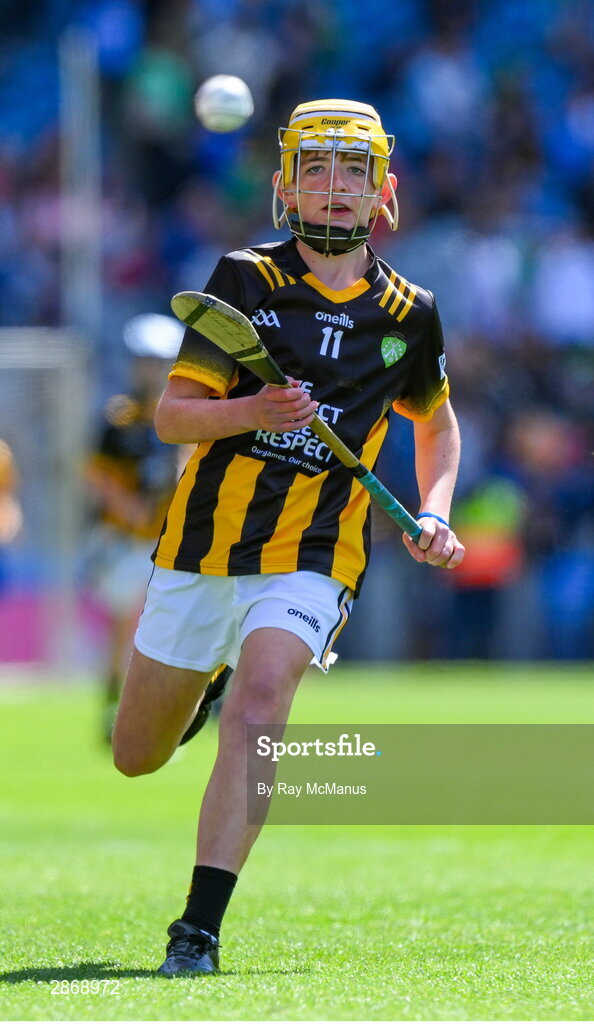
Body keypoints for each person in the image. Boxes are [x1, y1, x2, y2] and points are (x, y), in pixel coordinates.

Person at [112, 98, 465, 975]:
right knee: (134, 758)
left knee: (263, 704)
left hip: (315, 552)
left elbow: (438, 428)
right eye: (317, 170)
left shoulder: (410, 313)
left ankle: (196, 930)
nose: (335, 187)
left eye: (353, 171)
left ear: (382, 190)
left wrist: (437, 509)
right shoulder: (243, 279)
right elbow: (172, 419)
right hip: (201, 546)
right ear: (287, 188)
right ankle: (209, 675)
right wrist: (254, 411)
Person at [84, 314, 186, 741]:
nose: (151, 370)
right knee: (127, 626)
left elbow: (188, 465)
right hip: (125, 540)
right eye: (145, 361)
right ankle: (115, 708)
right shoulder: (117, 419)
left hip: (173, 541)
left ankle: (168, 715)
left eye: (159, 361)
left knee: (169, 629)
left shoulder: (184, 414)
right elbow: (97, 478)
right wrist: (132, 511)